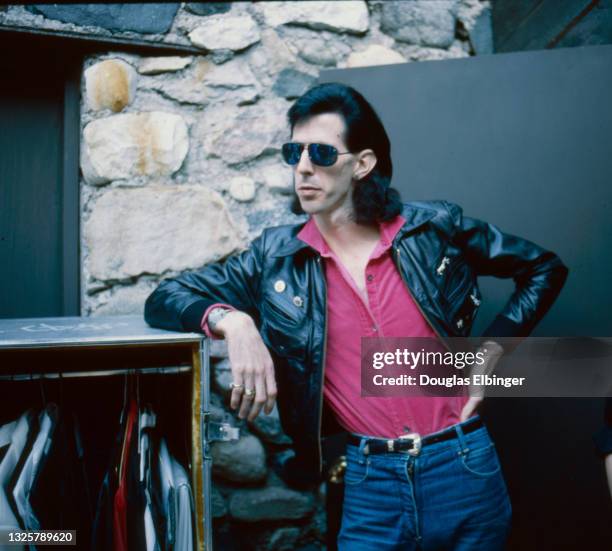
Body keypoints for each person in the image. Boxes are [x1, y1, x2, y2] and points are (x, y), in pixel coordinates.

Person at [145, 83, 568, 550]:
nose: (303, 166)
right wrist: (235, 321)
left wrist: (491, 356)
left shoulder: (431, 229)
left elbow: (543, 268)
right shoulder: (276, 258)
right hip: (370, 482)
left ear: (362, 164)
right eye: (295, 151)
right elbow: (165, 296)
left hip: (464, 465)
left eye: (322, 152)